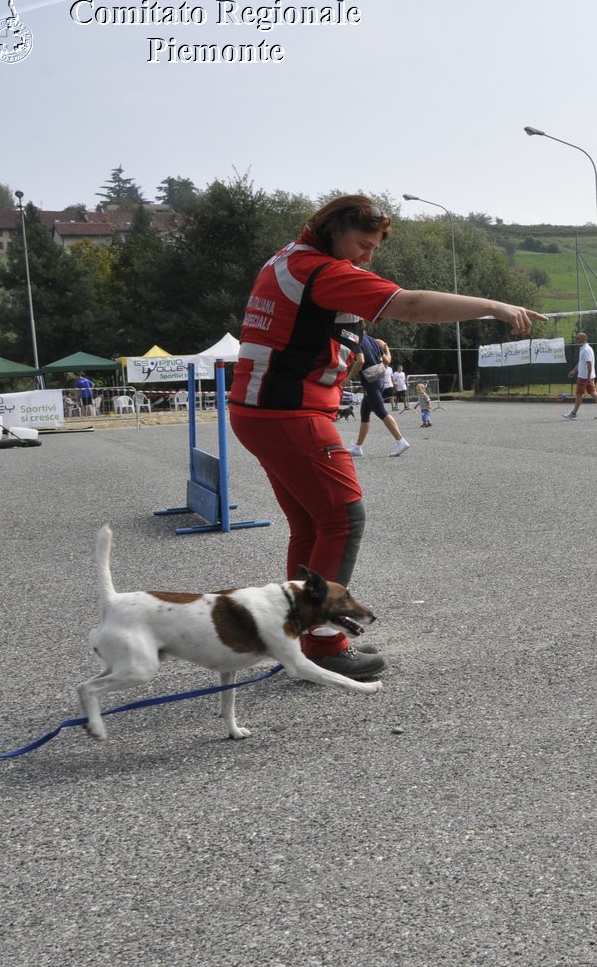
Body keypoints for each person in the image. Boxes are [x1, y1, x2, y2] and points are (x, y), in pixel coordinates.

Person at [229, 193, 543, 678]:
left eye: (374, 247)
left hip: (263, 410)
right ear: (333, 230)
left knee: (312, 525)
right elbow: (412, 305)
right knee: (343, 519)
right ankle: (324, 641)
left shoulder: (290, 259)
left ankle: (293, 634)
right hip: (287, 412)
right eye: (362, 243)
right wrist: (494, 306)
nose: (367, 256)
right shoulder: (322, 270)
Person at [347, 335, 411, 457]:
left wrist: (348, 378)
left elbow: (360, 361)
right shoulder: (373, 340)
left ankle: (400, 440)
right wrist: (386, 348)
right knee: (365, 412)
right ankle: (358, 447)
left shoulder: (356, 340)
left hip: (371, 382)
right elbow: (387, 361)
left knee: (381, 411)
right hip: (379, 379)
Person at [564, 332, 597, 420]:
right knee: (593, 392)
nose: (576, 340)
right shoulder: (583, 349)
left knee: (579, 394)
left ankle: (573, 414)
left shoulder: (586, 349)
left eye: (578, 338)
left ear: (583, 339)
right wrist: (574, 370)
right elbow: (581, 362)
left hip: (584, 377)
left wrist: (588, 378)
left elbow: (589, 364)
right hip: (586, 376)